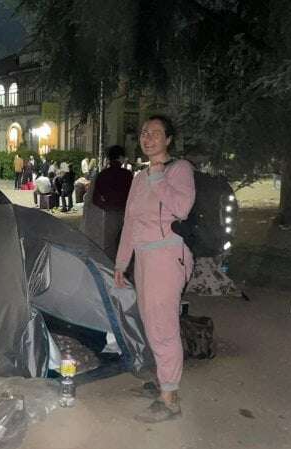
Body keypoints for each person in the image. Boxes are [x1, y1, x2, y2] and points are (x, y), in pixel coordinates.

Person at [114, 115, 195, 423]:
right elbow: (131, 223)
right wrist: (122, 261)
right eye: (144, 133)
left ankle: (170, 399)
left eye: (156, 133)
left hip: (168, 255)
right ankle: (165, 381)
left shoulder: (180, 170)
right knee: (151, 323)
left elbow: (181, 208)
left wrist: (159, 178)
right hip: (145, 258)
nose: (147, 138)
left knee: (162, 326)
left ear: (169, 139)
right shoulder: (138, 177)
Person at [90, 145, 134, 260]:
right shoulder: (127, 175)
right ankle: (124, 270)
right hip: (127, 213)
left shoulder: (103, 175)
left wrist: (107, 207)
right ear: (120, 157)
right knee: (126, 243)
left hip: (110, 214)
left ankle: (110, 270)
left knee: (109, 244)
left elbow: (95, 199)